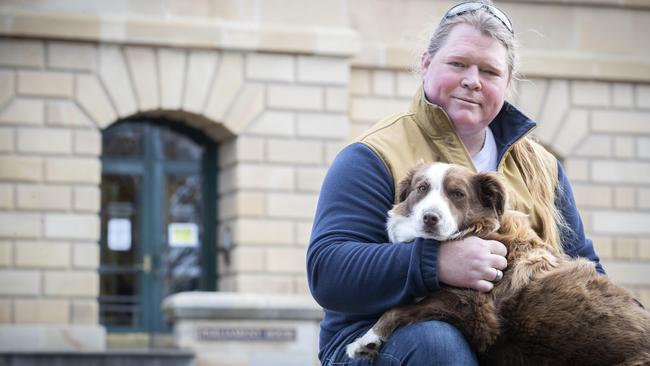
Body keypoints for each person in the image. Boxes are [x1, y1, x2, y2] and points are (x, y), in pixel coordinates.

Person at [307, 1, 605, 365]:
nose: (472, 81)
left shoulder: (543, 167)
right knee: (438, 342)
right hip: (379, 341)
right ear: (426, 63)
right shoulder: (371, 155)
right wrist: (434, 263)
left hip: (514, 344)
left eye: (490, 71)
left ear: (507, 82)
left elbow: (586, 267)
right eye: (458, 64)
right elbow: (328, 270)